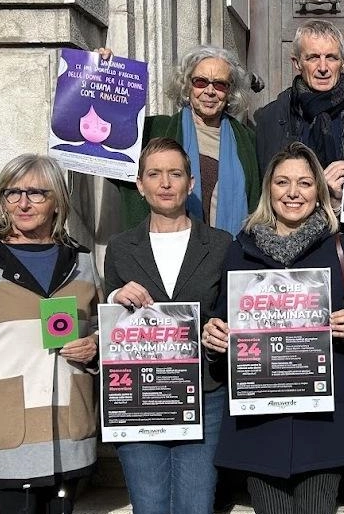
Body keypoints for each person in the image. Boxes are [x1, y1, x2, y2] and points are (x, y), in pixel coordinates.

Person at [202, 142, 344, 514]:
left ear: (319, 191)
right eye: (282, 182)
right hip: (259, 420)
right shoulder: (238, 250)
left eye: (305, 183)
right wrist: (213, 338)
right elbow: (221, 324)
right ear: (268, 190)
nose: (293, 192)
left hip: (323, 421)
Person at [0, 154, 101, 514]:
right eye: (13, 193)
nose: (23, 203)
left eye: (37, 193)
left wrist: (94, 348)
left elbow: (96, 333)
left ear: (58, 201)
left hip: (68, 438)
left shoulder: (82, 260)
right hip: (2, 439)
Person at [102, 138, 233, 514]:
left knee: (195, 505)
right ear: (140, 185)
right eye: (154, 174)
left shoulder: (221, 244)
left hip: (204, 394)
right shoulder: (121, 247)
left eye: (175, 174)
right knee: (149, 506)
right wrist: (115, 297)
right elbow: (107, 311)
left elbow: (228, 312)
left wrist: (216, 333)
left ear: (190, 183)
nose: (165, 183)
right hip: (139, 398)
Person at [255, 19, 344, 270]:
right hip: (292, 252)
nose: (323, 67)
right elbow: (265, 193)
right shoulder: (269, 119)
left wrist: (342, 199)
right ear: (296, 63)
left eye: (331, 57)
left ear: (343, 61)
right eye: (313, 57)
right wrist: (320, 189)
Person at [97, 45, 261, 233]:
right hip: (164, 251)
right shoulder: (155, 130)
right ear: (187, 85)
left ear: (230, 91)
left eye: (219, 84)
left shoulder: (246, 140)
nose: (210, 91)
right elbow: (107, 150)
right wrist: (101, 74)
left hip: (230, 254)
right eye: (200, 82)